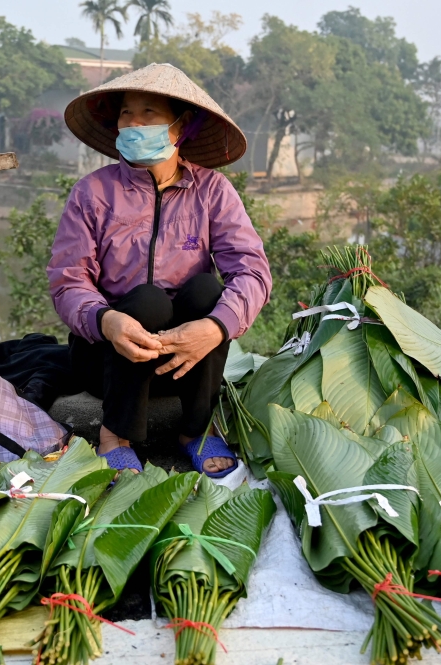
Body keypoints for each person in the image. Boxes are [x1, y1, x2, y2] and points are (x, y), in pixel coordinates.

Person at [48, 63, 272, 478]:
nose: (132, 123)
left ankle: (195, 431)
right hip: (109, 358)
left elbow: (253, 272)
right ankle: (115, 434)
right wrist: (106, 320)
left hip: (184, 361)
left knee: (207, 290)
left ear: (180, 126)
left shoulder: (212, 192)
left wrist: (216, 327)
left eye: (148, 113)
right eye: (125, 113)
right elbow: (68, 280)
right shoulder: (93, 193)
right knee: (149, 300)